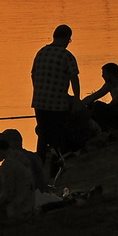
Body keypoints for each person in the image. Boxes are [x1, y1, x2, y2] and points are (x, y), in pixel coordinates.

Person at [30, 24, 83, 170]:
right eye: (69, 40)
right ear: (67, 38)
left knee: (43, 132)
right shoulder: (66, 55)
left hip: (39, 100)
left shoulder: (41, 52)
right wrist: (77, 100)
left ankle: (40, 161)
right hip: (58, 102)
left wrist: (38, 89)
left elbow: (33, 74)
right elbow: (74, 78)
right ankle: (58, 161)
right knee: (58, 132)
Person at [83, 62, 118, 131]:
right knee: (92, 105)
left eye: (104, 73)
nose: (102, 76)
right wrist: (80, 104)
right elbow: (95, 95)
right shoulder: (110, 84)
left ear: (110, 75)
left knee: (97, 105)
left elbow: (113, 106)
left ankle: (103, 130)